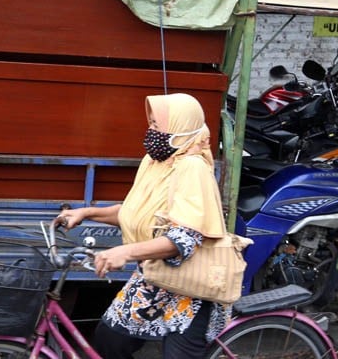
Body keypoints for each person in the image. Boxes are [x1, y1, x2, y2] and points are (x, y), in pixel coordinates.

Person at [57, 93, 229, 359]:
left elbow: (183, 238)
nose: (151, 131)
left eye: (157, 126)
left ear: (180, 128)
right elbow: (134, 212)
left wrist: (124, 252)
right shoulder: (155, 163)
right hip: (154, 277)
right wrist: (87, 212)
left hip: (190, 287)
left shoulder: (192, 168)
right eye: (150, 123)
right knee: (109, 341)